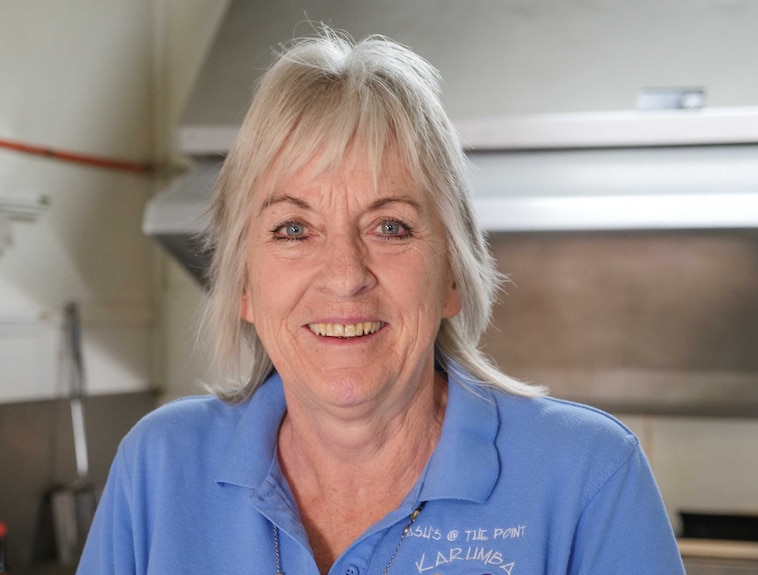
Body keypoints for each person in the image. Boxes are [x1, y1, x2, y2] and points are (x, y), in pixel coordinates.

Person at [78, 28, 685, 574]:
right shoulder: (158, 468)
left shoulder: (590, 478)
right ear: (241, 283)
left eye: (389, 226)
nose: (344, 276)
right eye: (294, 229)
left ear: (452, 273)